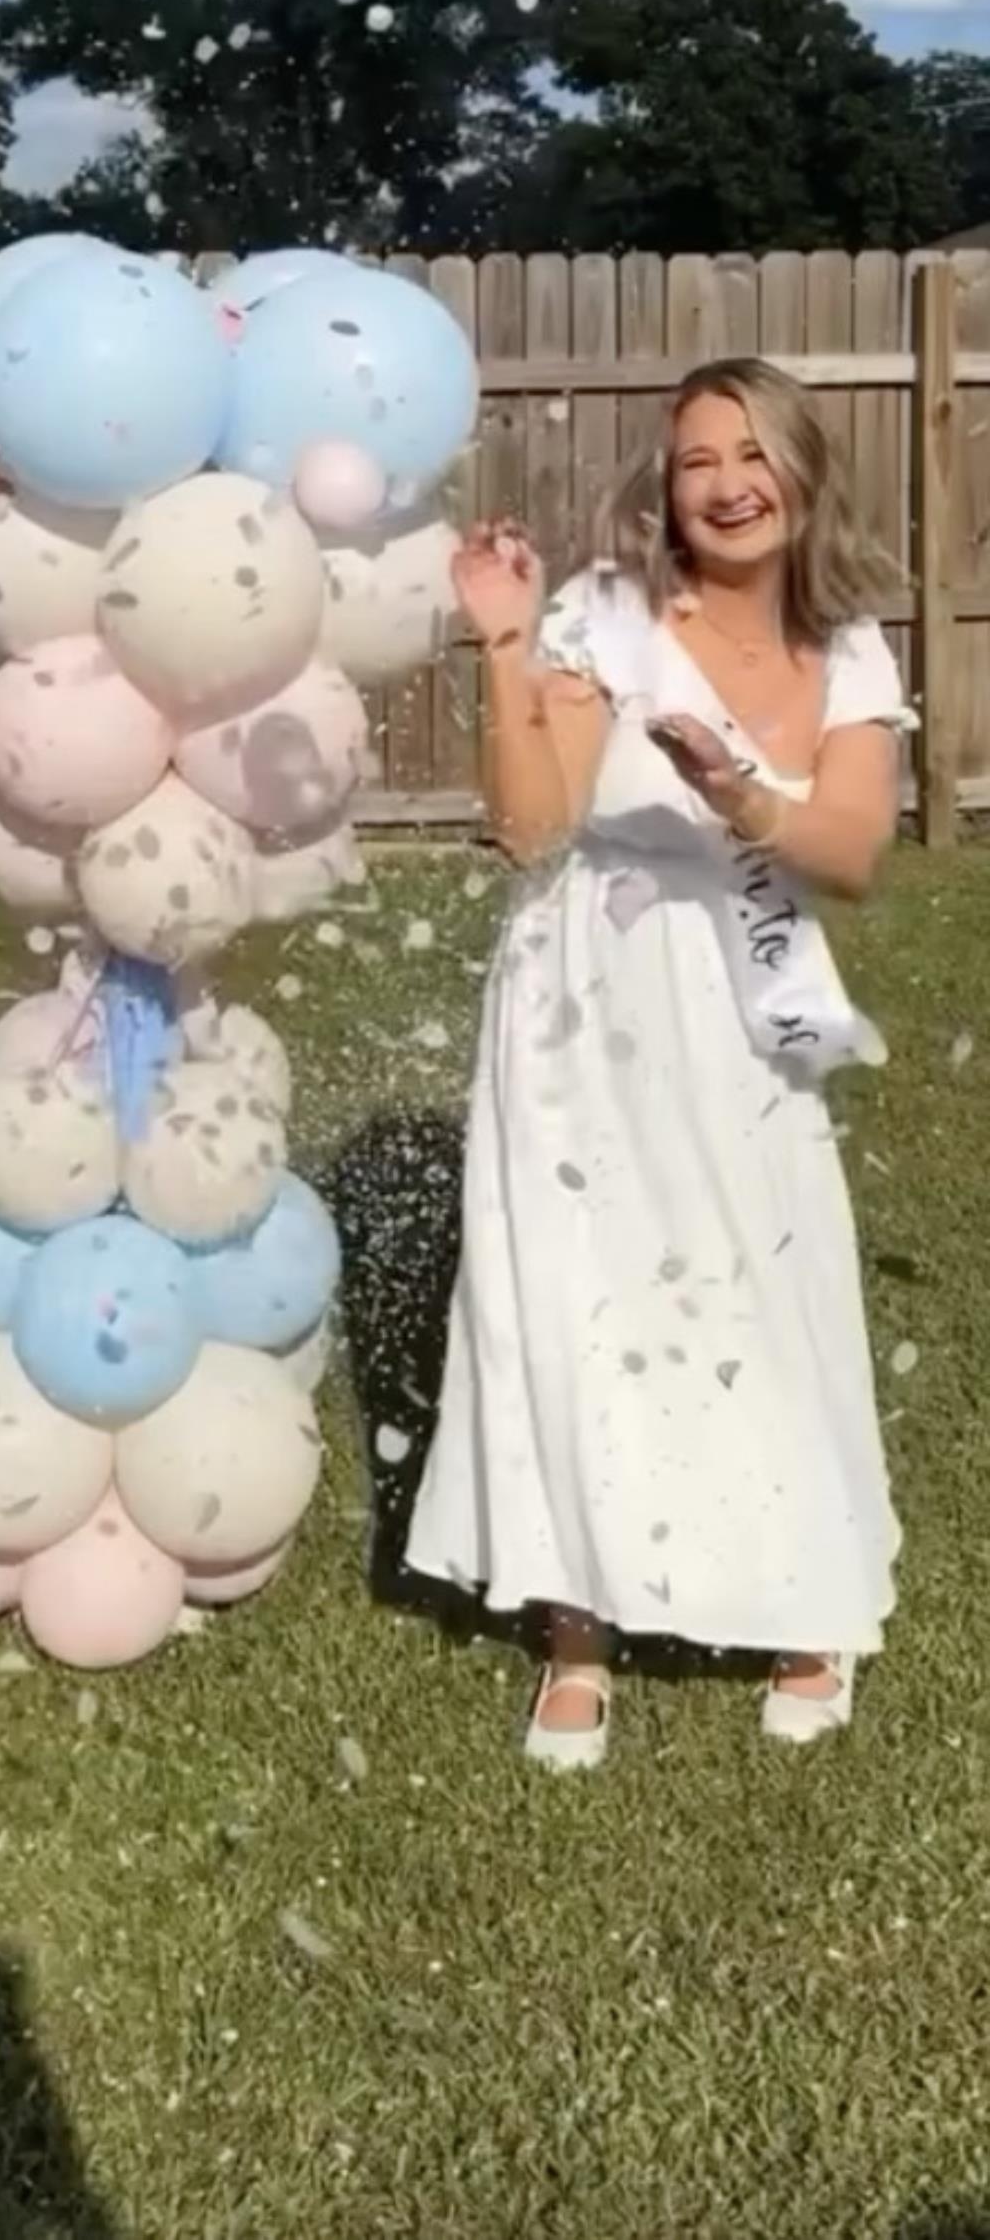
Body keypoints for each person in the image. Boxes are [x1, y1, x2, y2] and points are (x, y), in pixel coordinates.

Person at [404, 358, 912, 1769]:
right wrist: (507, 643)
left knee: (765, 1266)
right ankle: (577, 1630)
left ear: (802, 473)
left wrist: (741, 792)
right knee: (571, 1281)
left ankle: (806, 1601)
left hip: (738, 992)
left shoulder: (849, 644)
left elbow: (855, 854)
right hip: (580, 988)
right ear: (668, 488)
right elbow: (529, 828)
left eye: (755, 454)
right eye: (699, 460)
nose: (731, 482)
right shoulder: (607, 618)